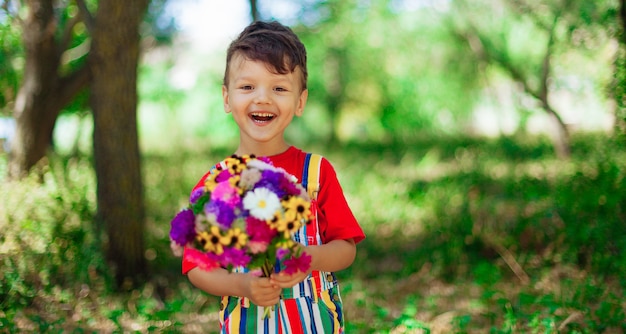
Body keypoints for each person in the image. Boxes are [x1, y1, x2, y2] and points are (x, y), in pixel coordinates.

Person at [182, 20, 365, 333]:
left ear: (300, 102)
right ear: (227, 98)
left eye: (279, 88)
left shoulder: (317, 173)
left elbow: (346, 249)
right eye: (247, 87)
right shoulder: (217, 183)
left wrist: (310, 257)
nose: (263, 98)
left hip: (314, 324)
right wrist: (241, 285)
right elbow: (197, 267)